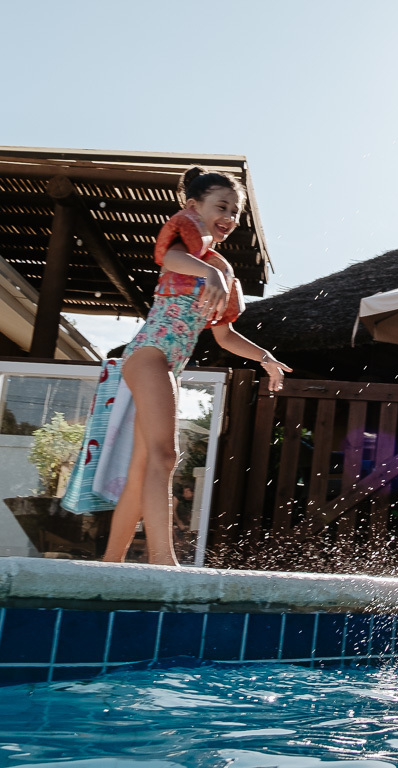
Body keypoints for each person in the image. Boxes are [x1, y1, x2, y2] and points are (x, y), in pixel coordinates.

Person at [98, 167, 291, 565]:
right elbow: (168, 256)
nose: (230, 217)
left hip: (168, 363)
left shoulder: (223, 272)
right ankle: (163, 561)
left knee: (143, 467)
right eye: (221, 206)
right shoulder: (189, 250)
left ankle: (109, 563)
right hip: (150, 353)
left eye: (235, 212)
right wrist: (207, 271)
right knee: (165, 456)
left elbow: (224, 335)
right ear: (192, 207)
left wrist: (265, 358)